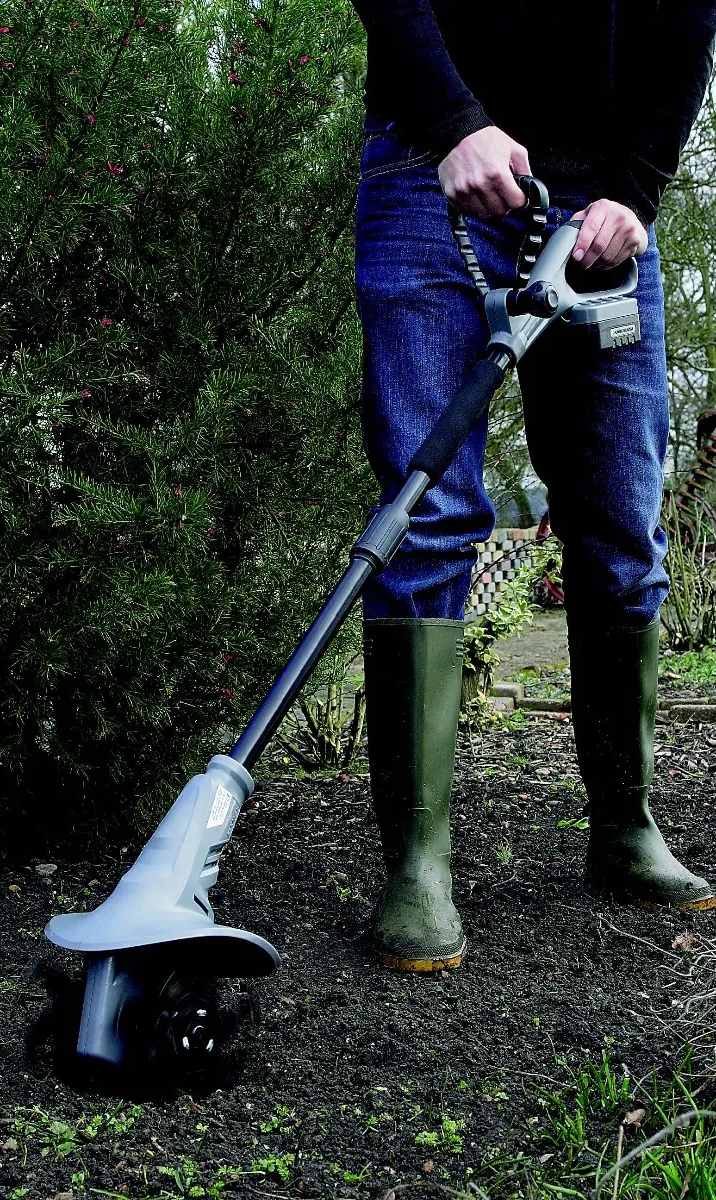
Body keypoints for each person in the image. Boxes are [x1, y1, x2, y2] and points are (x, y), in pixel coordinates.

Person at [350, 0, 716, 972]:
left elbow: (687, 21)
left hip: (601, 210)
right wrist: (454, 123)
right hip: (432, 170)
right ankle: (416, 868)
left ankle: (626, 826)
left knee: (621, 526)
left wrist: (637, 192)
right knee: (427, 517)